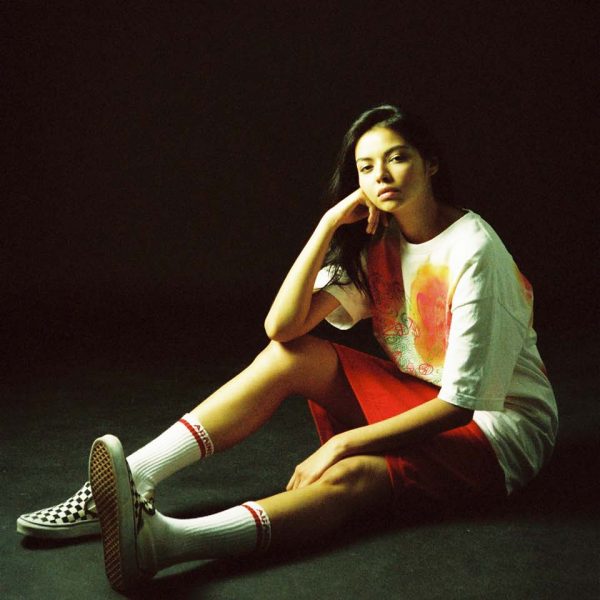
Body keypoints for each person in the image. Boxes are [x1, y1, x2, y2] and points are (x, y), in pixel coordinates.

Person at [17, 105, 558, 592]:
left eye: (397, 158)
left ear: (430, 163)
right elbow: (282, 328)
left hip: (496, 434)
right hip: (421, 396)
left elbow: (460, 405)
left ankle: (164, 544)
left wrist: (341, 444)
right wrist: (327, 225)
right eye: (367, 167)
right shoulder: (379, 245)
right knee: (290, 357)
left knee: (351, 474)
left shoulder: (474, 251)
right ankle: (126, 483)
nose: (382, 176)